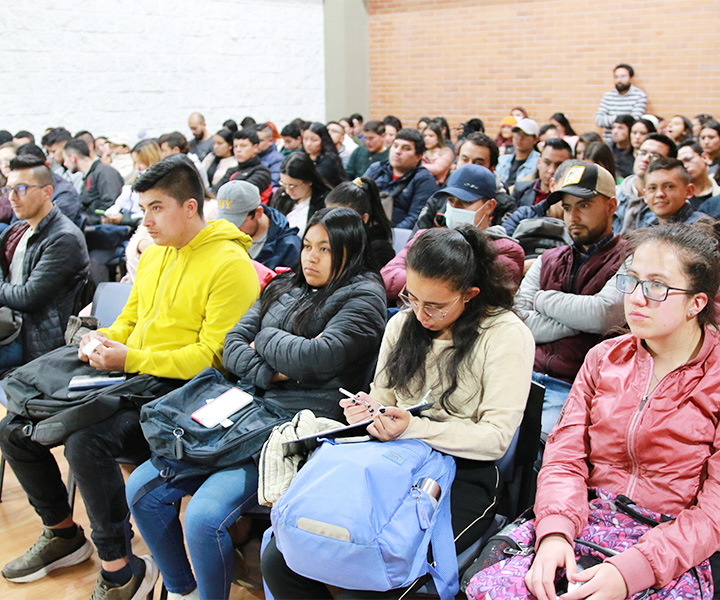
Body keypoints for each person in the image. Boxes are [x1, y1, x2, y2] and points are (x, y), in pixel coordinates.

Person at [0, 155, 260, 599]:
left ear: (191, 207)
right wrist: (100, 342)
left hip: (183, 395)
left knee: (86, 441)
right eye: (144, 210)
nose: (147, 221)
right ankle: (63, 534)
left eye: (157, 208)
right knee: (15, 430)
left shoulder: (229, 265)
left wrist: (130, 358)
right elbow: (131, 320)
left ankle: (119, 567)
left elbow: (213, 360)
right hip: (133, 378)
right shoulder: (157, 255)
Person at [126, 206, 387, 600]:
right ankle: (182, 589)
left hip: (294, 426)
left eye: (325, 250)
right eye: (307, 246)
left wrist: (264, 339)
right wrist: (273, 369)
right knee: (141, 490)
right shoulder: (285, 283)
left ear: (350, 251)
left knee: (201, 517)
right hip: (242, 407)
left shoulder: (365, 295)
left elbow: (320, 356)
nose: (311, 257)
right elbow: (231, 344)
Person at [261, 224, 535, 599]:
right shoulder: (402, 323)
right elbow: (383, 399)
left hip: (464, 470)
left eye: (435, 305)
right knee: (281, 557)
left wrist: (411, 427)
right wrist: (367, 413)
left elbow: (494, 440)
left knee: (377, 578)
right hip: (390, 458)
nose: (421, 313)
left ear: (470, 295)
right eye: (412, 297)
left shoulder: (504, 335)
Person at [517, 222, 720, 600]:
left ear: (697, 303)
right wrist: (556, 531)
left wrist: (630, 572)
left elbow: (714, 512)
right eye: (632, 280)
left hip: (670, 542)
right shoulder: (604, 358)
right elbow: (564, 459)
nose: (637, 298)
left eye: (657, 286)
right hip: (584, 516)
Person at [515, 162, 627, 435]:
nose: (573, 216)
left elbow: (604, 314)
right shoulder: (548, 259)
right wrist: (582, 318)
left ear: (611, 206)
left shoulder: (631, 258)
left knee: (540, 442)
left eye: (584, 205)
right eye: (567, 207)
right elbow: (518, 319)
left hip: (579, 385)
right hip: (521, 374)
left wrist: (541, 300)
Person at [383, 165, 526, 300]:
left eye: (464, 202)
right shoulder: (425, 237)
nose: (455, 207)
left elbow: (481, 296)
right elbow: (387, 277)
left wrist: (417, 281)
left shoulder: (506, 250)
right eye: (451, 201)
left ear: (489, 206)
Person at [0, 154, 89, 367]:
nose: (12, 197)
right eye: (8, 189)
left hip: (34, 337)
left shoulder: (63, 238)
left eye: (20, 189)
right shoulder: (18, 229)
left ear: (47, 192)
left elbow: (28, 298)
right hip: (10, 322)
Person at [364, 128, 439, 229]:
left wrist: (389, 235)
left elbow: (415, 219)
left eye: (406, 148)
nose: (398, 151)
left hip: (398, 236)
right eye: (395, 146)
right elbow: (355, 196)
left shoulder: (424, 180)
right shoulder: (376, 168)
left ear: (418, 157)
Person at [217, 180, 301, 269]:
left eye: (239, 222)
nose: (233, 229)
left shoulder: (288, 248)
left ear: (258, 212)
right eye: (227, 222)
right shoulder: (224, 234)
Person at [325, 177, 395, 269]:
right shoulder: (326, 238)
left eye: (341, 217)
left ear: (363, 218)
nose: (330, 221)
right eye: (327, 213)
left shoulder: (380, 250)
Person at [615, 133, 677, 234]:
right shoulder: (615, 194)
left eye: (655, 156)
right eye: (642, 153)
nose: (645, 159)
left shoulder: (668, 201)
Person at [62, 138, 124, 225]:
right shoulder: (89, 175)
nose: (65, 164)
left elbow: (111, 205)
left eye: (65, 159)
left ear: (73, 158)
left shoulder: (105, 172)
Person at [634, 157, 706, 229]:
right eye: (652, 188)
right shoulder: (646, 225)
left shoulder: (701, 228)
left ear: (688, 191)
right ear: (645, 195)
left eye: (668, 187)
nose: (659, 194)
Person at [270, 152, 332, 235]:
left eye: (293, 186)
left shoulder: (324, 201)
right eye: (283, 184)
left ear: (309, 181)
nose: (288, 191)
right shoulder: (281, 195)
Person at [596, 63, 648, 143]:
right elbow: (599, 120)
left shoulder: (639, 95)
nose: (619, 80)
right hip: (608, 140)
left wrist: (611, 119)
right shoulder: (608, 96)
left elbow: (634, 120)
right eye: (616, 77)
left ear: (631, 78)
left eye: (623, 76)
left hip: (628, 142)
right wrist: (620, 120)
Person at [512, 139, 573, 207]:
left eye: (559, 165)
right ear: (539, 162)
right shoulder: (521, 189)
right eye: (547, 163)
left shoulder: (573, 196)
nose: (551, 170)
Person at [213, 128, 272, 198]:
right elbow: (215, 191)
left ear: (255, 147)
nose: (238, 150)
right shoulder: (232, 170)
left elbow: (241, 195)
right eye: (235, 146)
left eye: (243, 146)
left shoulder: (262, 172)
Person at [496, 119, 541, 189]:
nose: (519, 138)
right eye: (517, 133)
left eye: (525, 134)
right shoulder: (502, 160)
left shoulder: (539, 163)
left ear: (535, 139)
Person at [301, 122, 346, 188]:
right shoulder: (302, 157)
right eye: (305, 139)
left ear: (323, 140)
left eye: (314, 140)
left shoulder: (329, 159)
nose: (308, 144)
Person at [678, 140, 720, 209]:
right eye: (681, 164)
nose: (685, 166)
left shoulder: (718, 188)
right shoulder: (680, 201)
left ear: (704, 157)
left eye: (688, 159)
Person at [421, 120, 454, 185]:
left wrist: (416, 167)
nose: (427, 139)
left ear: (438, 138)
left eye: (431, 136)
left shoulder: (445, 151)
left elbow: (438, 168)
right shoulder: (420, 151)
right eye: (425, 136)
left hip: (438, 186)